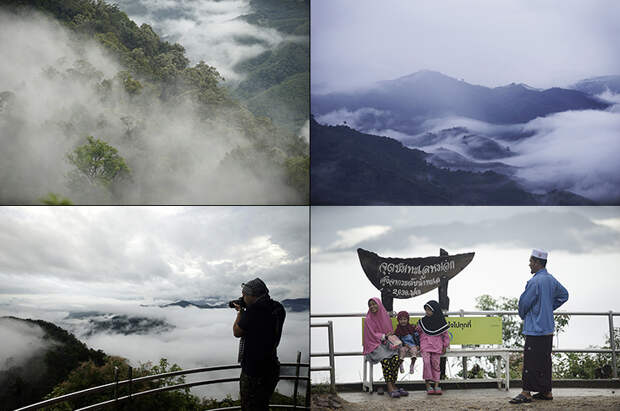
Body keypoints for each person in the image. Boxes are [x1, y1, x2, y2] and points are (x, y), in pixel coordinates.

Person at [510, 249, 569, 404]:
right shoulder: (551, 280)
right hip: (548, 328)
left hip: (534, 329)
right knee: (544, 361)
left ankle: (526, 392)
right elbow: (565, 295)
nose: (529, 264)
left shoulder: (534, 282)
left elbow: (523, 304)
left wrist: (524, 315)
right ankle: (546, 391)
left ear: (537, 262)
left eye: (531, 261)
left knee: (530, 362)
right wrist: (549, 307)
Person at [232, 278, 286, 410]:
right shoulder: (278, 308)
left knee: (249, 407)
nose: (243, 297)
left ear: (252, 295)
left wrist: (240, 312)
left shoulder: (254, 311)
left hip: (253, 371)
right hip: (272, 366)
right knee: (262, 405)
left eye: (244, 295)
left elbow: (237, 332)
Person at [363, 297, 408, 398]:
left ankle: (393, 384)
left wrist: (389, 335)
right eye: (370, 305)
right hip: (374, 346)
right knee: (386, 360)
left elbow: (390, 332)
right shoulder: (368, 319)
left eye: (374, 304)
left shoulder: (385, 316)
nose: (372, 306)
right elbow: (371, 335)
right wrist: (384, 336)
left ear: (379, 304)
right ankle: (390, 387)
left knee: (395, 359)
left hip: (387, 344)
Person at [415, 300, 450, 395]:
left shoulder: (441, 322)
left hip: (437, 347)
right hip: (425, 346)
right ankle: (427, 386)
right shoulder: (422, 322)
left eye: (429, 310)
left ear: (435, 310)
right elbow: (417, 332)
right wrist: (416, 344)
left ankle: (436, 385)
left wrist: (445, 346)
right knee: (426, 363)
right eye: (426, 310)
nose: (427, 312)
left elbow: (445, 335)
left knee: (436, 365)